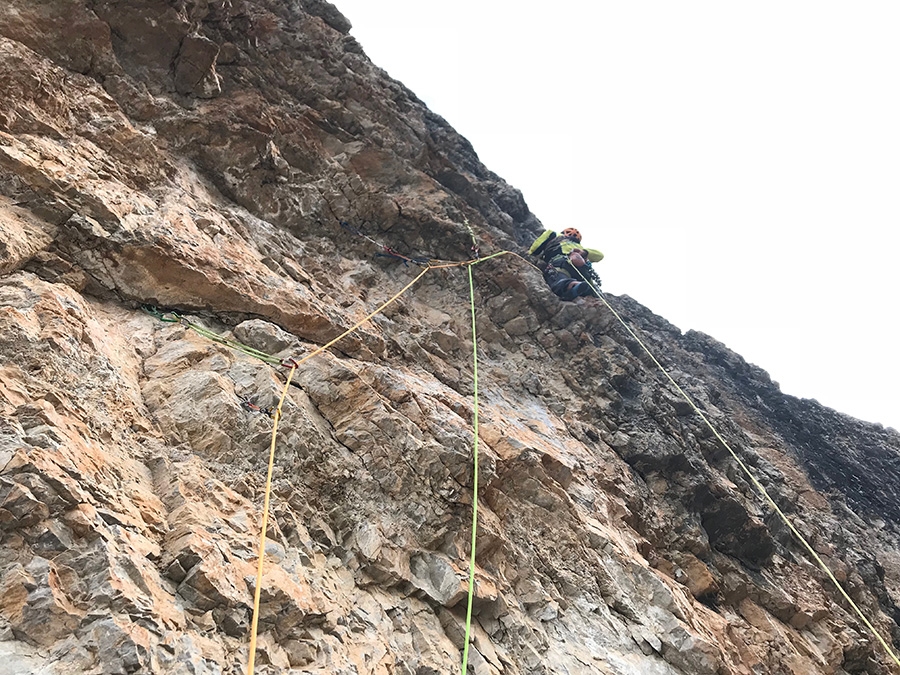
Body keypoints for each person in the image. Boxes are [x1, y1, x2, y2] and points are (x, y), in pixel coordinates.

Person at [528, 228, 603, 301]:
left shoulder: (554, 235)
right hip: (579, 268)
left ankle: (570, 286)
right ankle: (579, 288)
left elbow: (536, 248)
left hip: (563, 262)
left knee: (559, 274)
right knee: (563, 274)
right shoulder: (577, 246)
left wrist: (584, 251)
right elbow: (599, 256)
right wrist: (584, 252)